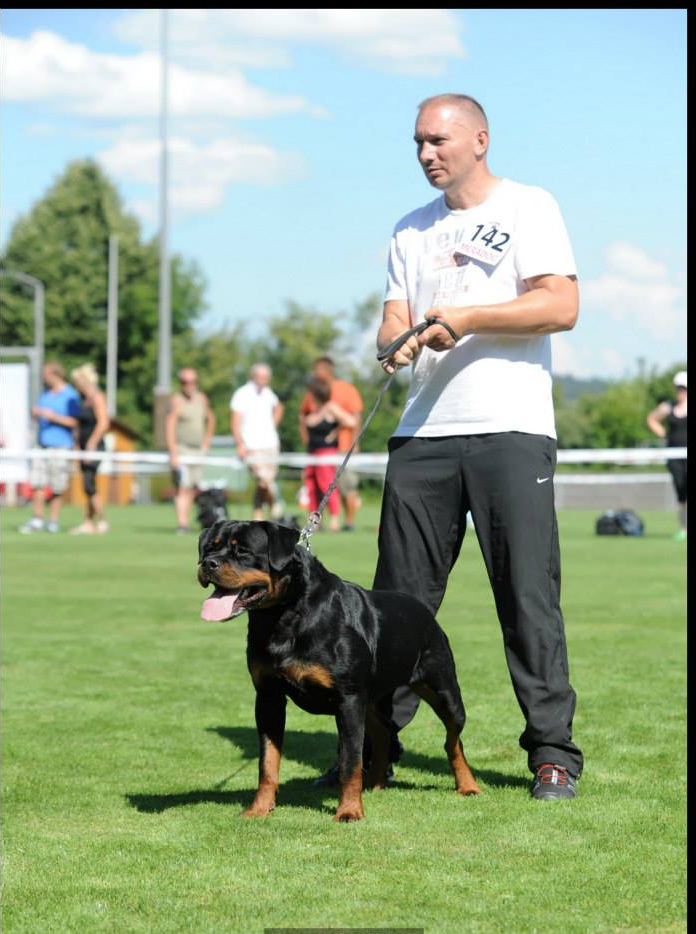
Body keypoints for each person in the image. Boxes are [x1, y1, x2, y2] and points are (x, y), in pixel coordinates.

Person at [317, 93, 584, 800]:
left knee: (526, 599)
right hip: (420, 436)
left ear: (479, 140)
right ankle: (376, 747)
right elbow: (390, 324)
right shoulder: (409, 230)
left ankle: (551, 754)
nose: (426, 153)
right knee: (393, 605)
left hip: (511, 431)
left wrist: (465, 318)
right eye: (416, 143)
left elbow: (560, 304)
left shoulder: (529, 206)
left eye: (437, 140)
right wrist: (395, 344)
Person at [299, 357, 364, 531]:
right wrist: (307, 441)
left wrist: (353, 441)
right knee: (315, 487)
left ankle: (348, 522)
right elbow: (303, 416)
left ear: (329, 371)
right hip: (317, 451)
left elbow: (354, 418)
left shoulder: (345, 389)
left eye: (319, 370)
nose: (316, 373)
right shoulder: (312, 392)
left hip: (341, 448)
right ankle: (317, 523)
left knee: (345, 487)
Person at [19, 361, 81, 534]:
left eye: (46, 375)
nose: (43, 379)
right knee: (37, 483)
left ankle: (53, 520)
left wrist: (52, 416)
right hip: (42, 444)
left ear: (55, 375)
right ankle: (37, 518)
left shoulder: (70, 395)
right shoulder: (45, 394)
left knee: (57, 485)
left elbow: (75, 421)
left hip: (61, 445)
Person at [165, 367, 216, 534]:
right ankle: (182, 523)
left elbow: (210, 419)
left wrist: (207, 441)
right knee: (182, 487)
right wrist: (173, 452)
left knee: (192, 487)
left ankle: (186, 521)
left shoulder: (202, 399)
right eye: (185, 382)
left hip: (197, 451)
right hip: (181, 449)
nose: (189, 385)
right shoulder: (176, 400)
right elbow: (170, 425)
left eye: (192, 382)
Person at [230, 364, 284, 521]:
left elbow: (279, 407)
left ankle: (257, 516)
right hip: (251, 445)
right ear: (253, 376)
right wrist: (240, 443)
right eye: (260, 377)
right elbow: (235, 421)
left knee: (265, 483)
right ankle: (275, 505)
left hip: (270, 444)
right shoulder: (242, 394)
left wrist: (272, 424)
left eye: (266, 377)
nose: (263, 380)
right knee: (264, 481)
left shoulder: (268, 393)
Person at [68, 363, 111, 534]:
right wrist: (78, 445)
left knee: (89, 483)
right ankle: (88, 521)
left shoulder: (98, 397)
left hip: (94, 446)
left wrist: (92, 444)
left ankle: (102, 520)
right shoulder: (83, 400)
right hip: (84, 447)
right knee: (88, 484)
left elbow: (103, 422)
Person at [647, 370, 687, 540]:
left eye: (683, 388)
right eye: (679, 388)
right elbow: (652, 419)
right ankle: (684, 529)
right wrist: (664, 435)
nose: (681, 391)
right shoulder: (668, 406)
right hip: (674, 456)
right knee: (681, 491)